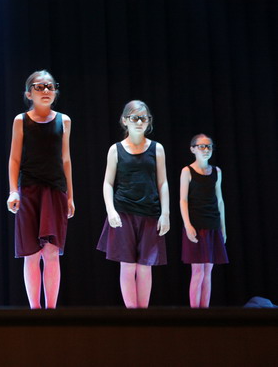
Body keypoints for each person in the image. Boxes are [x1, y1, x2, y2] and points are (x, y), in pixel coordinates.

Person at [7, 70, 74, 309]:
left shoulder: (64, 121)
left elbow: (66, 160)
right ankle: (35, 311)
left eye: (50, 86)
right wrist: (13, 191)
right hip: (29, 190)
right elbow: (14, 159)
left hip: (55, 190)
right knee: (32, 254)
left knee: (52, 253)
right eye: (39, 87)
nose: (45, 91)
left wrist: (70, 196)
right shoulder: (21, 120)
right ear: (29, 94)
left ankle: (51, 311)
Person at [97, 100, 170, 308]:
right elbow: (108, 183)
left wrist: (165, 213)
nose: (139, 122)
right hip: (124, 212)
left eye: (143, 118)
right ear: (125, 120)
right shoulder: (116, 149)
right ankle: (131, 315)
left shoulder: (157, 149)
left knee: (145, 267)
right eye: (134, 118)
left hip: (150, 213)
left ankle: (143, 315)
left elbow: (163, 183)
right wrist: (111, 210)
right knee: (127, 266)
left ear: (148, 121)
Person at [179, 134, 227, 308]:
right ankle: (195, 313)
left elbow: (219, 200)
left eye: (209, 146)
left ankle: (205, 311)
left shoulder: (216, 172)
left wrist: (223, 228)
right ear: (193, 149)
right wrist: (188, 225)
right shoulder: (187, 171)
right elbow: (183, 200)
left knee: (208, 272)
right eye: (202, 146)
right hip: (196, 226)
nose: (206, 150)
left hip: (213, 225)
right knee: (198, 271)